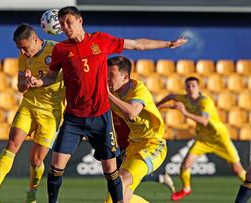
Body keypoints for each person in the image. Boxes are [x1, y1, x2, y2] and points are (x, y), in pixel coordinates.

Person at [27, 6, 188, 203]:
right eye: (62, 24)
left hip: (100, 118)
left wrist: (167, 44)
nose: (65, 27)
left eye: (69, 22)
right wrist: (37, 82)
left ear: (80, 21)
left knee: (111, 172)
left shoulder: (100, 40)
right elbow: (51, 77)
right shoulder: (61, 50)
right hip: (74, 118)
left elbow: (136, 44)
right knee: (56, 167)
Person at [0, 23, 65, 203]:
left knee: (36, 161)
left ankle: (32, 192)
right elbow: (20, 86)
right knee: (12, 144)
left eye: (25, 48)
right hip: (29, 105)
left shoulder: (56, 50)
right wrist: (27, 83)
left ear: (35, 40)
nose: (23, 52)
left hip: (51, 112)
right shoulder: (23, 56)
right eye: (19, 49)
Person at [156, 76, 246, 201]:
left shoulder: (205, 101)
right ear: (185, 88)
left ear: (198, 88)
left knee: (237, 169)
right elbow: (171, 96)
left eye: (193, 86)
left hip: (219, 138)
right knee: (185, 164)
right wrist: (159, 105)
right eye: (188, 86)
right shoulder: (184, 98)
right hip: (203, 139)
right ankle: (187, 188)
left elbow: (204, 121)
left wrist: (185, 113)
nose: (191, 88)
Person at [104, 56, 170, 202]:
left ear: (125, 77)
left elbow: (132, 113)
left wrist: (107, 95)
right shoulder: (113, 92)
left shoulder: (138, 90)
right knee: (119, 196)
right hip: (132, 146)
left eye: (111, 75)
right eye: (106, 74)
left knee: (118, 183)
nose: (107, 79)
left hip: (153, 145)